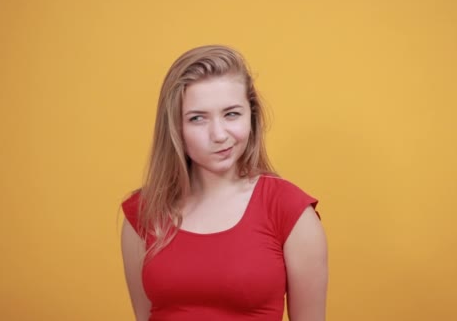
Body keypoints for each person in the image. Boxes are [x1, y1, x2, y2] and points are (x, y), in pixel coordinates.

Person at [120, 44, 328, 321]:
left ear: (251, 116)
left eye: (231, 114)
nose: (218, 135)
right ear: (175, 127)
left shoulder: (289, 210)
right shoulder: (144, 213)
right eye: (197, 118)